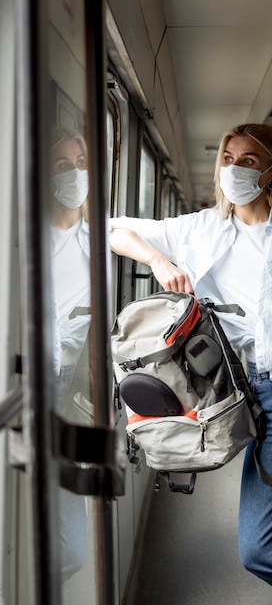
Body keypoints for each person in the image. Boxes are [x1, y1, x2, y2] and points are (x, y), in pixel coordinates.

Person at [109, 123, 272, 604]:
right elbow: (114, 231)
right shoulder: (198, 230)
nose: (233, 168)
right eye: (228, 157)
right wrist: (159, 263)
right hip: (262, 395)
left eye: (248, 160)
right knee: (259, 549)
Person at [49, 128, 91, 581]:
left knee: (71, 549)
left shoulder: (99, 237)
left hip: (69, 394)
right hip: (20, 385)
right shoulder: (21, 237)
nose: (74, 173)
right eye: (62, 164)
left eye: (81, 163)